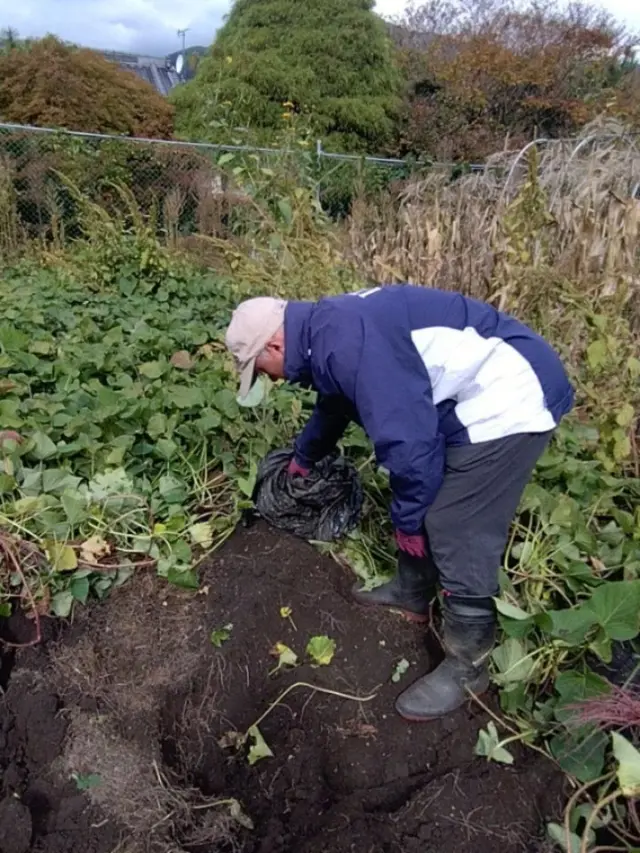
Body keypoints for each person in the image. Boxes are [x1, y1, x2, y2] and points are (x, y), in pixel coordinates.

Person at [224, 285, 574, 721]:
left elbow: (411, 447)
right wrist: (304, 456)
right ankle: (413, 593)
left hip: (510, 391)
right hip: (470, 390)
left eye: (262, 369)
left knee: (454, 521)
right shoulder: (326, 333)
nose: (270, 379)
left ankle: (470, 665)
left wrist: (408, 524)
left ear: (275, 345)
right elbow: (336, 401)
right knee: (426, 498)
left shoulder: (346, 342)